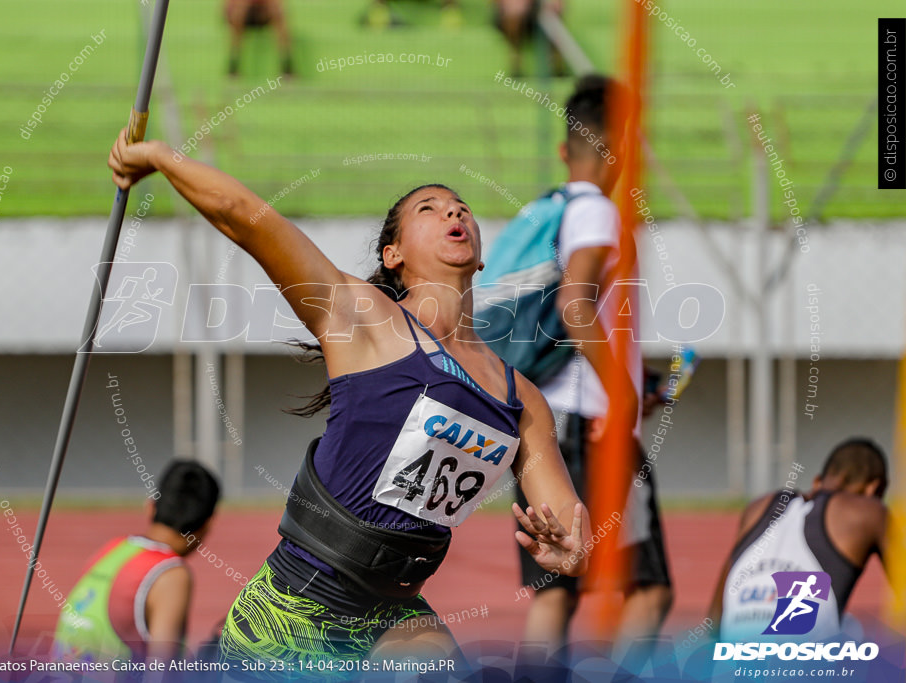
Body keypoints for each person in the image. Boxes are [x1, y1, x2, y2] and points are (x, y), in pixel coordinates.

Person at [107, 129, 592, 668]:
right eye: (428, 209)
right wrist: (157, 156)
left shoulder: (521, 399)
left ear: (480, 257)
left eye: (462, 208)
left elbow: (566, 518)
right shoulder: (359, 315)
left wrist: (572, 553)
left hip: (395, 615)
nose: (453, 213)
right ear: (394, 253)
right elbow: (245, 216)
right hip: (295, 607)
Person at [512, 73, 673, 649]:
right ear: (622, 147)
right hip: (592, 422)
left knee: (555, 586)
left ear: (564, 150)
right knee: (649, 587)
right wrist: (624, 395)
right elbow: (575, 306)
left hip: (540, 421)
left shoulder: (540, 212)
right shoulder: (599, 213)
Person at [708, 437, 891, 641]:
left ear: (816, 482)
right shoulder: (867, 512)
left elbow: (715, 619)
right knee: (854, 631)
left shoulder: (758, 507)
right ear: (872, 489)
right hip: (800, 668)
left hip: (732, 667)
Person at [53, 459, 221, 663]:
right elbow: (162, 671)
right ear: (208, 524)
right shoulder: (171, 574)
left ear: (150, 507)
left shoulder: (111, 550)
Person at [223, 0, 293, 77]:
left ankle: (287, 65)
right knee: (240, 9)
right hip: (244, 14)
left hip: (263, 13)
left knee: (276, 10)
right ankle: (233, 65)